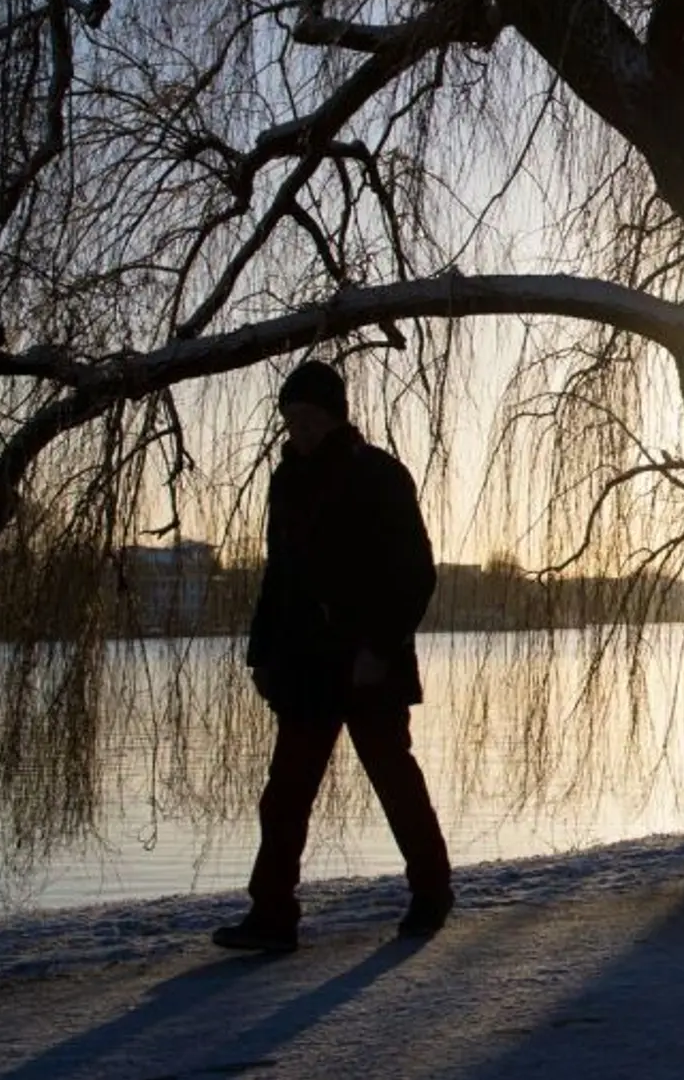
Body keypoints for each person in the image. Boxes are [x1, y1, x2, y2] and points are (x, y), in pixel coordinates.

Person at [212, 360, 453, 953]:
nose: (297, 429)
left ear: (333, 414)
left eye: (307, 416)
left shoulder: (380, 475)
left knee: (395, 782)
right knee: (286, 793)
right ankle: (272, 914)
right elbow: (279, 576)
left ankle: (431, 892)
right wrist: (261, 655)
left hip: (369, 662)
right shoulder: (285, 481)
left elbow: (415, 573)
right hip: (304, 664)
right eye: (289, 419)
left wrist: (381, 646)